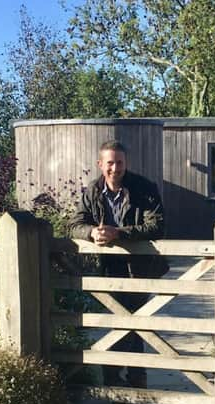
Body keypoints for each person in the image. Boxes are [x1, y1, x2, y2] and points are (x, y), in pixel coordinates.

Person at [69, 140, 169, 389]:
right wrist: (92, 232)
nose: (115, 168)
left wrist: (118, 233)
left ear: (126, 163)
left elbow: (157, 226)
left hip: (140, 268)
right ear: (100, 164)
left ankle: (118, 378)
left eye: (120, 162)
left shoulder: (144, 188)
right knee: (122, 322)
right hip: (108, 269)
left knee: (131, 323)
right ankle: (130, 380)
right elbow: (73, 225)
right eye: (110, 163)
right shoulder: (93, 191)